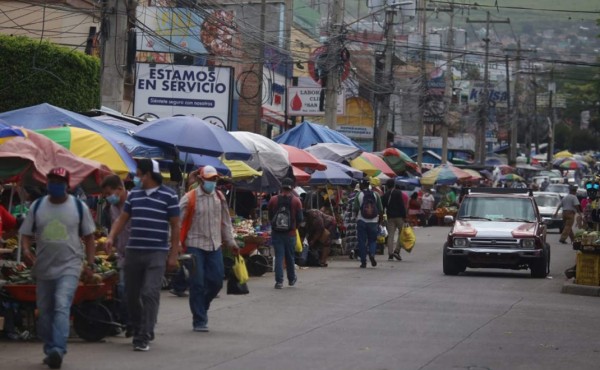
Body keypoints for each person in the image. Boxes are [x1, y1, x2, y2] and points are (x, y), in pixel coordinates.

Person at [19, 168, 96, 369]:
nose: (55, 184)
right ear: (46, 183)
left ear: (67, 184)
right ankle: (50, 347)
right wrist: (26, 250)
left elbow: (89, 237)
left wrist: (90, 264)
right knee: (44, 312)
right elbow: (25, 233)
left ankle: (58, 350)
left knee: (62, 305)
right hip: (43, 267)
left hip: (70, 266)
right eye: (52, 180)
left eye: (59, 181)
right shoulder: (37, 207)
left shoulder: (79, 207)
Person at [105, 159, 180, 352]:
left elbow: (175, 225)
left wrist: (173, 255)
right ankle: (140, 326)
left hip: (157, 253)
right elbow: (123, 218)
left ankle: (143, 335)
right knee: (131, 295)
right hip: (133, 251)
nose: (136, 178)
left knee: (149, 292)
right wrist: (111, 236)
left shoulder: (169, 196)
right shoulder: (134, 196)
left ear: (148, 175)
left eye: (138, 174)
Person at [179, 165, 238, 332]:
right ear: (200, 179)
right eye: (209, 179)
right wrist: (174, 243)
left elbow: (226, 222)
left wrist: (231, 242)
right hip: (194, 245)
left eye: (215, 179)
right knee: (197, 283)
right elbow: (176, 221)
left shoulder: (219, 197)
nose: (212, 182)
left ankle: (201, 307)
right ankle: (199, 319)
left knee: (216, 281)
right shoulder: (189, 198)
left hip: (215, 245)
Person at [100, 174, 132, 336]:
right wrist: (111, 241)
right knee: (123, 289)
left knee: (138, 291)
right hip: (122, 253)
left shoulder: (135, 202)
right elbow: (115, 227)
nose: (107, 198)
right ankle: (129, 323)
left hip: (138, 253)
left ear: (120, 189)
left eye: (108, 193)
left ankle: (138, 322)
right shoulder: (112, 208)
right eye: (105, 195)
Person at [268, 178, 303, 289]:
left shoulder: (273, 200)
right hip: (290, 233)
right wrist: (294, 227)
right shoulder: (296, 201)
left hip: (277, 233)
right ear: (292, 187)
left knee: (279, 257)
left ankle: (279, 282)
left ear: (281, 187)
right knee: (290, 257)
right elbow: (300, 218)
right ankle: (291, 279)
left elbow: (270, 216)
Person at [353, 179, 383, 268]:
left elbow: (355, 208)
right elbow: (380, 209)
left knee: (362, 241)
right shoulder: (375, 194)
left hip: (361, 221)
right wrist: (380, 220)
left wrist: (356, 218)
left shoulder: (358, 194)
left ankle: (363, 262)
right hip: (373, 221)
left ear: (362, 186)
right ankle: (372, 254)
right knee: (372, 240)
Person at [381, 179, 406, 261]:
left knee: (390, 236)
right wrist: (404, 216)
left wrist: (382, 217)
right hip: (399, 217)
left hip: (390, 217)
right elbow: (401, 205)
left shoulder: (385, 195)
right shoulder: (398, 192)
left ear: (387, 186)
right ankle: (397, 251)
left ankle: (390, 254)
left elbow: (383, 207)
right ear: (394, 185)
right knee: (401, 233)